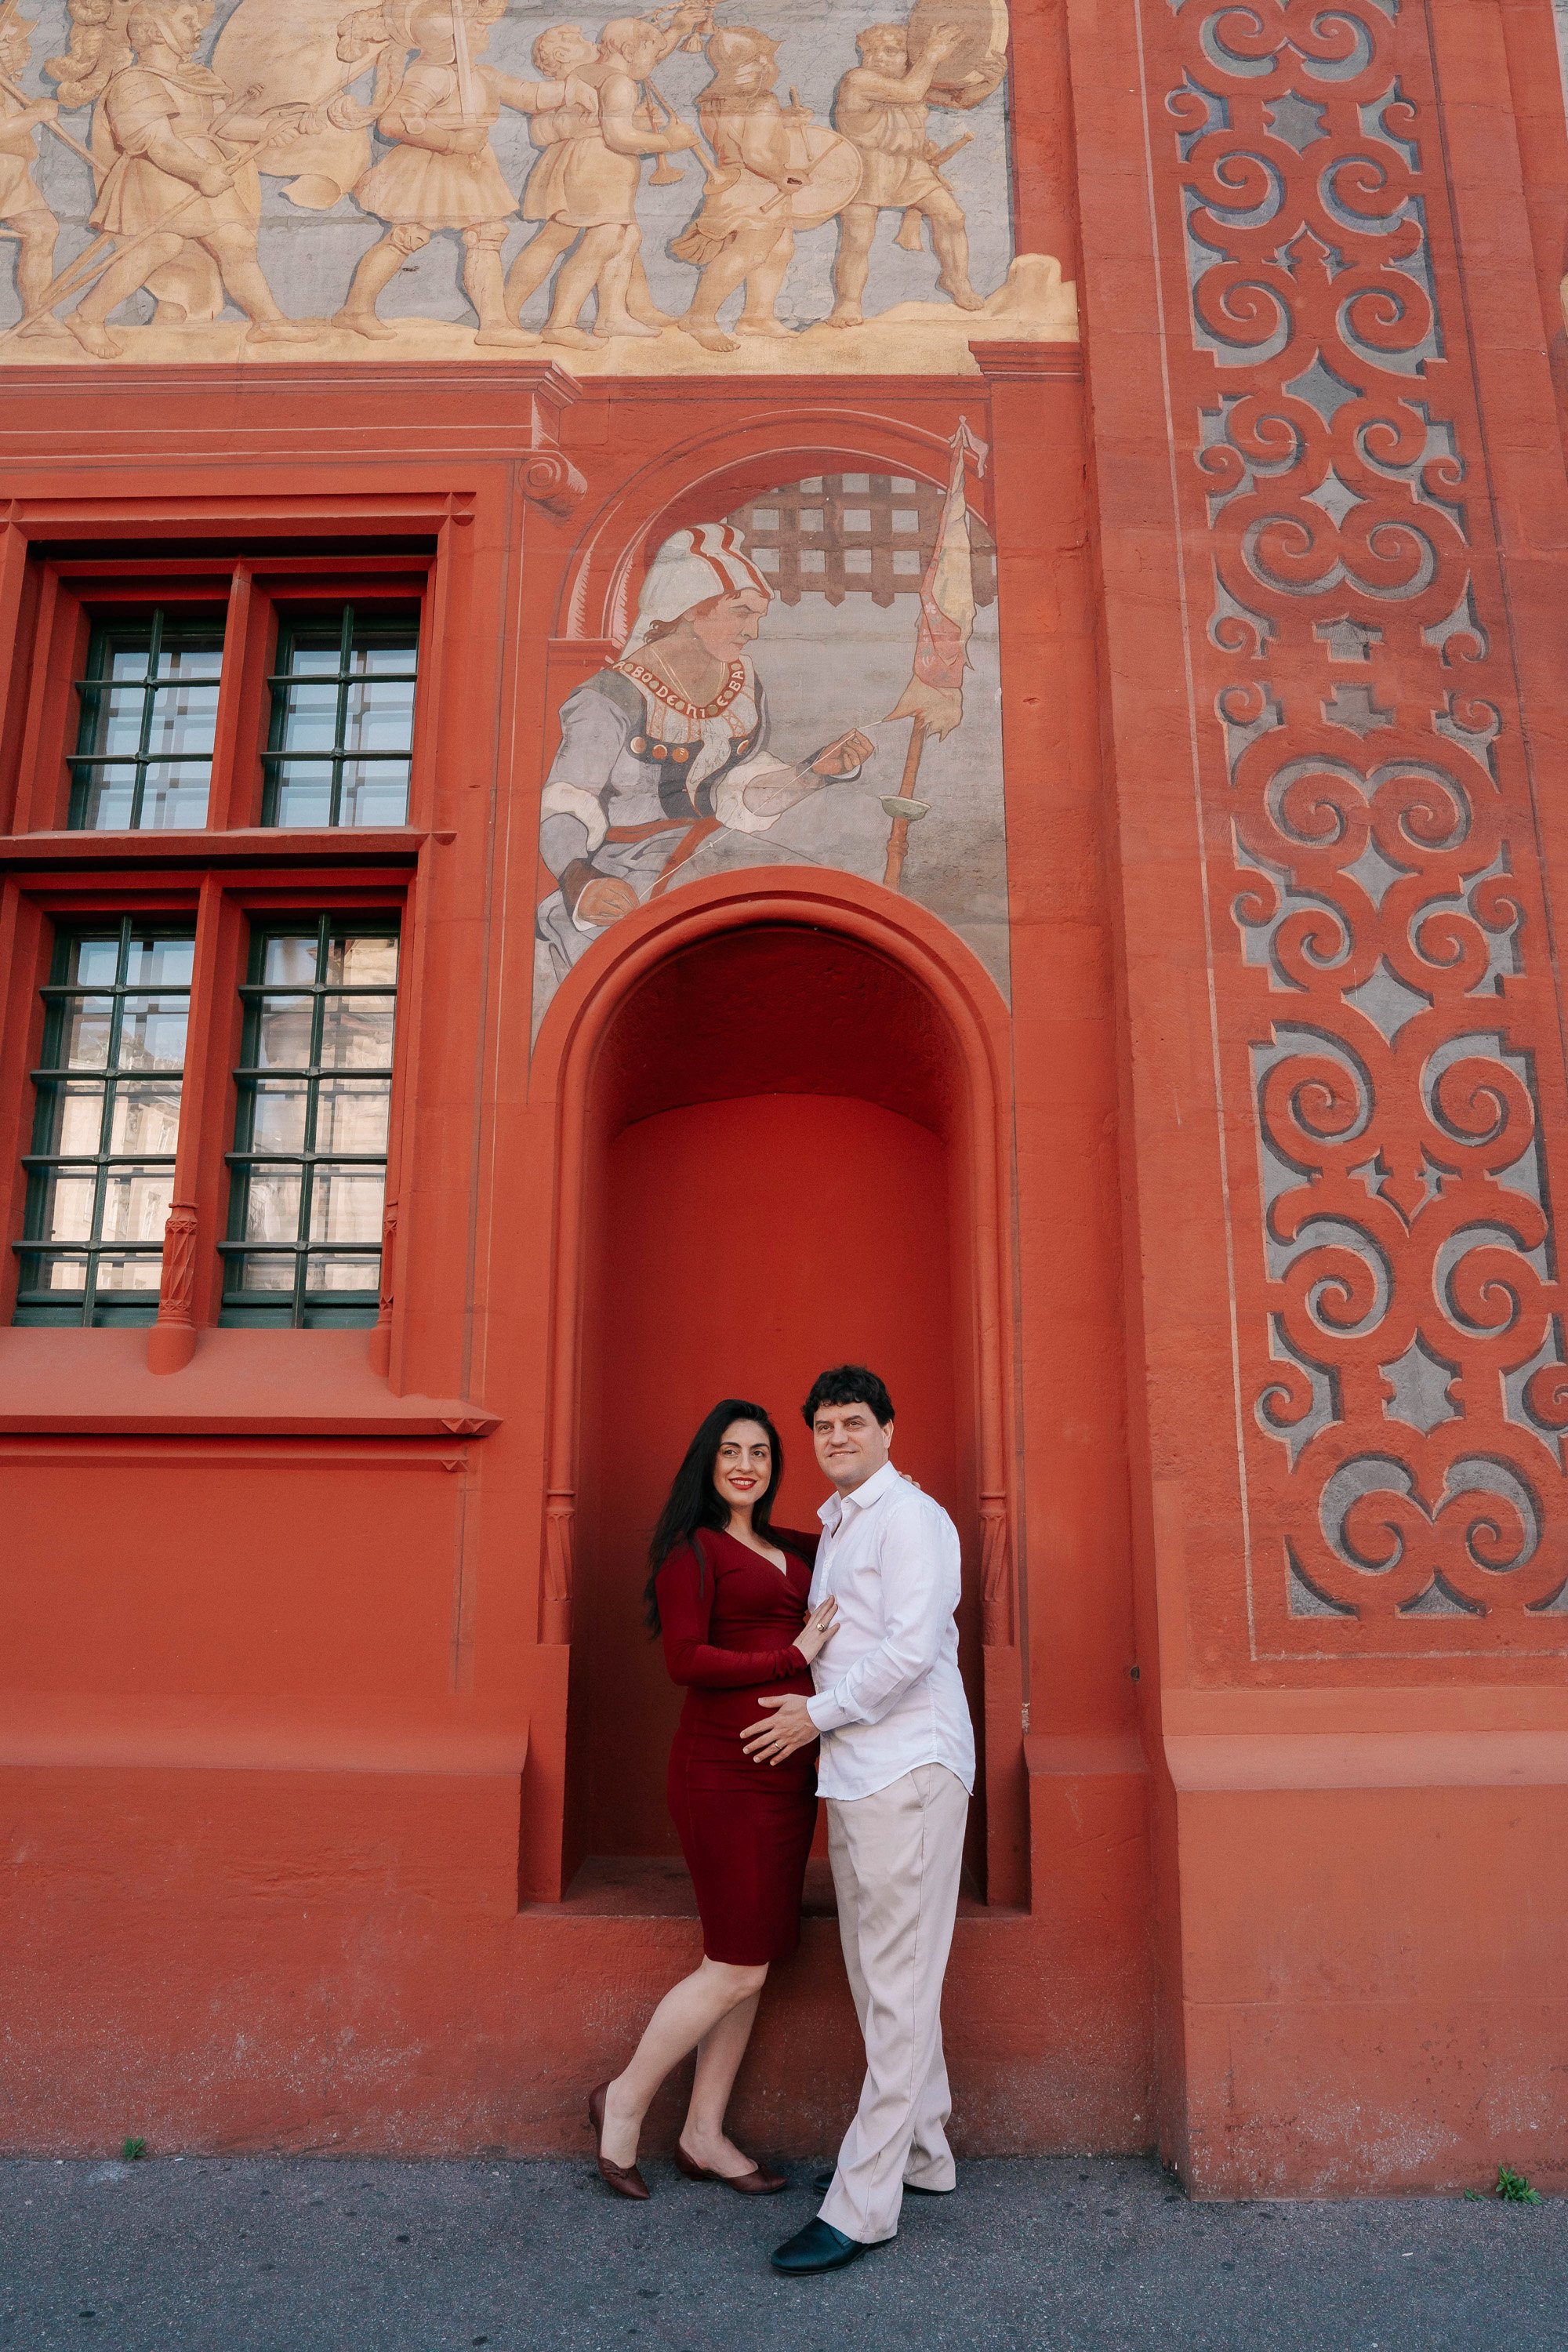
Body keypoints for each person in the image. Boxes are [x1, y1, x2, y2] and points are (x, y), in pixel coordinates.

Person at [746, 1364, 976, 2274]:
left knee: (896, 1983)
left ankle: (863, 2204)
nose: (836, 1437)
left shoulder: (912, 1519)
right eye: (823, 1427)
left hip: (906, 1768)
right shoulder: (842, 1525)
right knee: (886, 1976)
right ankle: (922, 2152)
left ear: (887, 1430)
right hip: (855, 1775)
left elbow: (914, 1649)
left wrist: (816, 1715)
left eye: (852, 1422)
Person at [587, 1399, 840, 2199]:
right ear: (707, 1461)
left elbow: (862, 1531)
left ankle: (702, 2133)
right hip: (720, 1775)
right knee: (733, 1964)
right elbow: (687, 1661)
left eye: (760, 1453)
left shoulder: (787, 1546)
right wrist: (791, 1654)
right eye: (729, 1450)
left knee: (750, 1964)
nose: (744, 1465)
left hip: (785, 1777)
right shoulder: (690, 1550)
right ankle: (621, 2102)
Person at [535, 521, 873, 979]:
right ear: (691, 610)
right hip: (626, 872)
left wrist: (813, 772)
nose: (752, 631)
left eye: (757, 616)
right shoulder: (609, 697)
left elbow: (738, 791)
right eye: (741, 613)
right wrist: (580, 880)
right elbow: (565, 806)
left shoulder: (743, 685)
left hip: (716, 852)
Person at [64, 0, 315, 358]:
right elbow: (158, 142)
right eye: (186, 21)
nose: (197, 28)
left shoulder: (195, 79)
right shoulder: (135, 81)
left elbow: (219, 127)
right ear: (154, 31)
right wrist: (201, 172)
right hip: (161, 175)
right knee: (159, 246)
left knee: (236, 242)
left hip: (204, 169)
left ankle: (268, 322)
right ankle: (87, 317)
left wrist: (269, 128)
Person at [332, 0, 591, 345]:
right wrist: (451, 142)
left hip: (472, 169)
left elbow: (530, 96)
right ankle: (355, 310)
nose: (484, 28)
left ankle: (495, 324)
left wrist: (573, 88)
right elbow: (394, 122)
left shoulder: (479, 74)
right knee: (407, 236)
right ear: (449, 38)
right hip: (431, 168)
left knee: (487, 236)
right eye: (476, 25)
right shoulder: (433, 74)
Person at [826, 20, 982, 327]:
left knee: (952, 217)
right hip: (866, 167)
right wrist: (932, 56)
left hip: (910, 168)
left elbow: (959, 98)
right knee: (857, 239)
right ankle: (848, 304)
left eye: (891, 51)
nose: (878, 58)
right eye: (870, 50)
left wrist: (985, 72)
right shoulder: (858, 80)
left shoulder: (915, 80)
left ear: (907, 57)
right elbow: (910, 93)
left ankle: (957, 281)